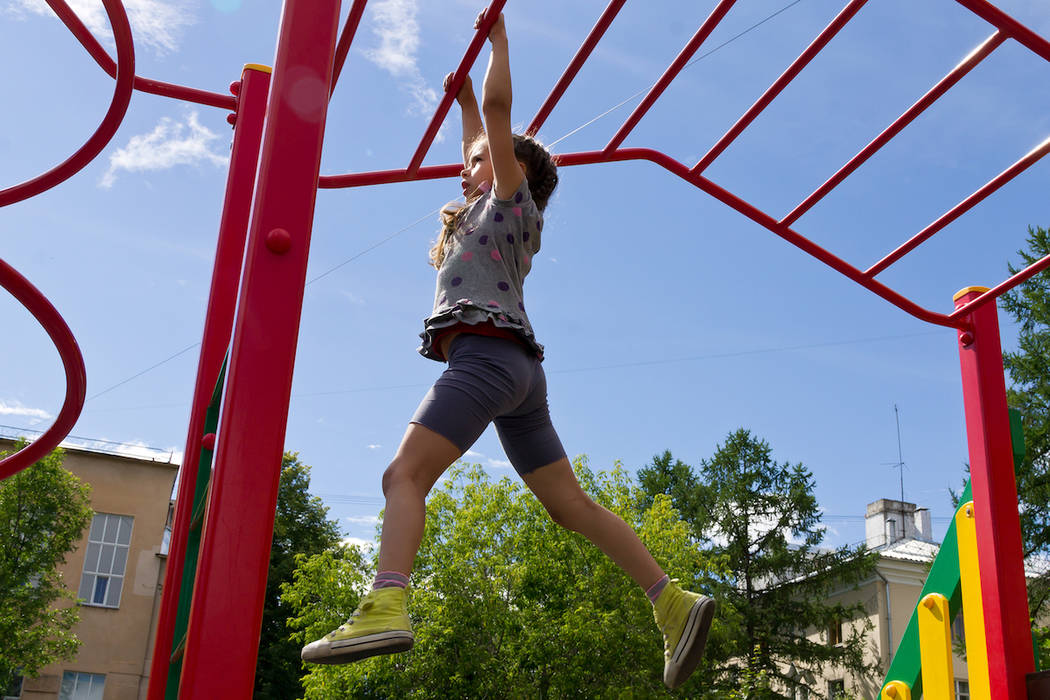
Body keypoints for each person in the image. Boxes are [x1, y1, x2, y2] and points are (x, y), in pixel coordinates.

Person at [301, 10, 714, 690]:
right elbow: (480, 129)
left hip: (488, 361)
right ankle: (670, 601)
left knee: (402, 477)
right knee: (569, 506)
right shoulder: (480, 206)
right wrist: (462, 101)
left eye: (480, 158)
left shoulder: (510, 202)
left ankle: (385, 602)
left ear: (514, 167)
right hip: (519, 374)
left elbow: (497, 115)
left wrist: (496, 43)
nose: (466, 166)